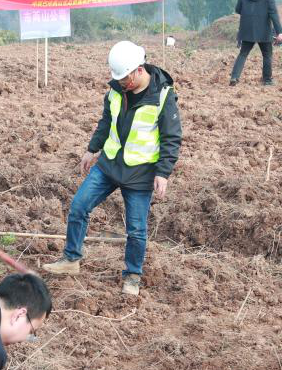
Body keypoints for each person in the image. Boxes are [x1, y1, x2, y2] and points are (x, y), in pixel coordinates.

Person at [43, 41, 181, 296]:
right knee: (79, 206)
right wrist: (92, 149)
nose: (121, 83)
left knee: (136, 230)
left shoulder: (162, 96)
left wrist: (163, 173)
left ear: (139, 70)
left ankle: (132, 276)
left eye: (125, 78)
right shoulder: (117, 90)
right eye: (118, 79)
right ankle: (71, 258)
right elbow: (106, 121)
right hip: (110, 163)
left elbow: (171, 138)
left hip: (140, 172)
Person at [229, 0, 282, 86]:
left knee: (243, 53)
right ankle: (267, 80)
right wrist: (279, 32)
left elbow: (238, 9)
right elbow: (273, 13)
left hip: (247, 29)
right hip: (264, 30)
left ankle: (234, 77)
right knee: (267, 54)